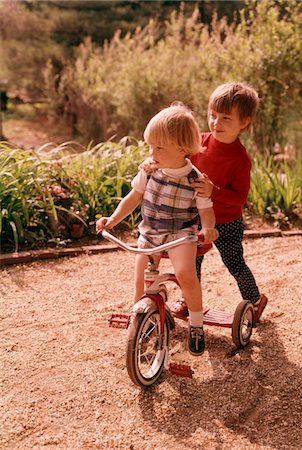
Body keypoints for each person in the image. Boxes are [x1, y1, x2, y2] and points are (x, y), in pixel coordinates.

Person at [96, 103, 218, 356]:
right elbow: (132, 198)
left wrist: (208, 228)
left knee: (185, 273)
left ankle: (196, 323)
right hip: (150, 231)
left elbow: (206, 210)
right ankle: (139, 316)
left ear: (182, 148)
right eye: (151, 145)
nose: (153, 152)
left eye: (159, 147)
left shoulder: (195, 179)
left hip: (180, 234)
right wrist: (113, 220)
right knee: (140, 272)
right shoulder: (150, 170)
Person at [143, 82, 268, 322]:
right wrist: (152, 162)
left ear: (244, 122)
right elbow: (174, 159)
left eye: (225, 118)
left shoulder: (240, 159)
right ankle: (190, 302)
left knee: (234, 263)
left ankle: (254, 300)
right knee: (191, 264)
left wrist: (213, 190)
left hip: (226, 222)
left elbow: (239, 198)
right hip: (194, 217)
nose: (216, 123)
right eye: (212, 115)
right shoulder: (198, 143)